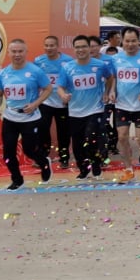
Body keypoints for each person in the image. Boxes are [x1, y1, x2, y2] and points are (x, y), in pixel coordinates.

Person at [0, 39, 53, 189]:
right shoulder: (3, 73)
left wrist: (35, 104)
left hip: (30, 118)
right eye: (14, 51)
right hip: (10, 117)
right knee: (8, 153)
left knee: (29, 150)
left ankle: (44, 163)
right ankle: (17, 179)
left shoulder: (35, 71)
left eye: (20, 51)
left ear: (26, 52)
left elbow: (48, 88)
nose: (17, 54)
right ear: (8, 53)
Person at [58, 35, 115, 179]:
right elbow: (60, 87)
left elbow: (110, 78)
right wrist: (63, 95)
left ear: (89, 48)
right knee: (77, 145)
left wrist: (107, 92)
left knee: (91, 139)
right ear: (74, 49)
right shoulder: (68, 67)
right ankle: (83, 168)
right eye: (77, 47)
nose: (81, 50)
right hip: (75, 111)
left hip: (95, 109)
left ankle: (96, 165)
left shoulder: (100, 65)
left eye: (83, 46)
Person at [110, 27, 140, 181]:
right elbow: (114, 78)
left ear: (139, 41)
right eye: (127, 41)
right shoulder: (116, 59)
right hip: (122, 105)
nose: (130, 44)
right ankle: (128, 168)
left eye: (133, 41)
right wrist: (112, 91)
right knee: (122, 137)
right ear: (122, 41)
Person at [34, 35, 73, 170]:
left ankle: (64, 158)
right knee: (43, 130)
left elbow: (71, 80)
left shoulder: (68, 61)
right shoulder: (38, 61)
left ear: (57, 46)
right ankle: (43, 158)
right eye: (47, 45)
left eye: (52, 45)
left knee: (63, 132)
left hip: (63, 103)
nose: (49, 48)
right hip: (46, 102)